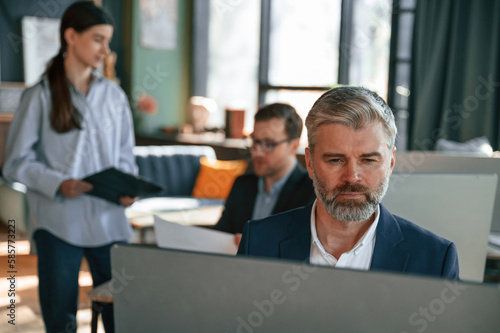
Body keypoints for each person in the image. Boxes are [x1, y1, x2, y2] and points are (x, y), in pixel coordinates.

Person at [2, 2, 137, 332]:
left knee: (124, 316)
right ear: (71, 37)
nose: (106, 50)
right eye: (98, 39)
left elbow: (125, 157)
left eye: (108, 41)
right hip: (59, 224)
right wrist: (58, 182)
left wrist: (129, 188)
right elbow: (15, 165)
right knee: (61, 320)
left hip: (110, 223)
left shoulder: (114, 96)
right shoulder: (40, 96)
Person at [238, 87, 459, 279]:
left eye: (368, 160)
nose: (352, 176)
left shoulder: (435, 260)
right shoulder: (257, 242)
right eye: (335, 160)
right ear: (310, 163)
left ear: (390, 163)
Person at [213, 103, 315, 244]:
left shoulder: (312, 191)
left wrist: (256, 245)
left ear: (294, 146)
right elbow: (219, 235)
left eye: (269, 144)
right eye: (255, 141)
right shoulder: (242, 184)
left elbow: (305, 247)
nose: (257, 152)